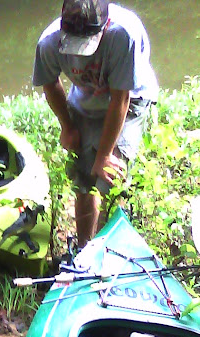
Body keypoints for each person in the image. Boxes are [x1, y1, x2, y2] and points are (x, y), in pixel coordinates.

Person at [33, 0, 158, 247]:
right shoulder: (49, 42)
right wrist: (67, 127)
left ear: (106, 24)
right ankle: (84, 250)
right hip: (87, 98)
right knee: (83, 178)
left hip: (131, 97)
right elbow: (50, 83)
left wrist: (104, 155)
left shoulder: (124, 35)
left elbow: (121, 99)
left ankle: (107, 251)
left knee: (110, 176)